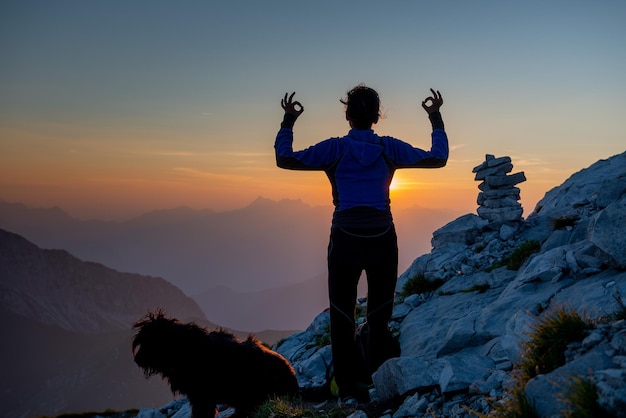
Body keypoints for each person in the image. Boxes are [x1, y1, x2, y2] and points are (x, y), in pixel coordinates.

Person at [274, 84, 449, 404]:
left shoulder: (335, 149)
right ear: (376, 116)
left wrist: (288, 121)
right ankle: (381, 380)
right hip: (383, 237)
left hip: (345, 240)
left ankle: (347, 387)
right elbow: (438, 158)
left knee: (342, 316)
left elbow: (285, 159)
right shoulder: (389, 148)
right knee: (380, 313)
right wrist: (435, 118)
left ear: (347, 115)